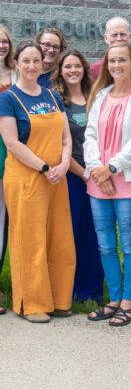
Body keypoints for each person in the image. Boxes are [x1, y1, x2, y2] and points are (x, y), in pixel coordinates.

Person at [0, 39, 75, 322]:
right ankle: (30, 303)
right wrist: (45, 167)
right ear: (17, 63)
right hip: (27, 178)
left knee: (59, 239)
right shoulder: (8, 98)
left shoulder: (52, 96)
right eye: (26, 61)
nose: (32, 66)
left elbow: (66, 137)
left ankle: (58, 299)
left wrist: (64, 163)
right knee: (29, 240)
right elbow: (12, 143)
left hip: (57, 177)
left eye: (36, 60)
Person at [82, 42, 131, 328]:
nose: (116, 66)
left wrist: (110, 169)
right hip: (99, 180)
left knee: (129, 243)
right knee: (106, 246)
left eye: (122, 60)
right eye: (112, 61)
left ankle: (128, 302)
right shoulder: (100, 96)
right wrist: (98, 172)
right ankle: (113, 300)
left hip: (130, 180)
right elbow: (89, 136)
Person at [53, 49, 103, 303]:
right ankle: (66, 290)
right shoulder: (56, 101)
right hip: (71, 177)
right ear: (60, 71)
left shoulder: (97, 97)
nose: (73, 70)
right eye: (67, 66)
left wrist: (96, 173)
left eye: (77, 66)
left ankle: (91, 291)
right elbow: (61, 145)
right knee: (68, 234)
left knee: (94, 235)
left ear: (85, 69)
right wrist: (83, 174)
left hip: (98, 176)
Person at [0, 24, 14, 314]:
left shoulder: (17, 74)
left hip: (13, 153)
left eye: (4, 41)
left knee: (3, 222)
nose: (1, 45)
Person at [89, 16, 131, 81]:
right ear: (106, 38)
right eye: (114, 35)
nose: (119, 39)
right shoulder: (94, 70)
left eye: (122, 34)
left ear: (130, 37)